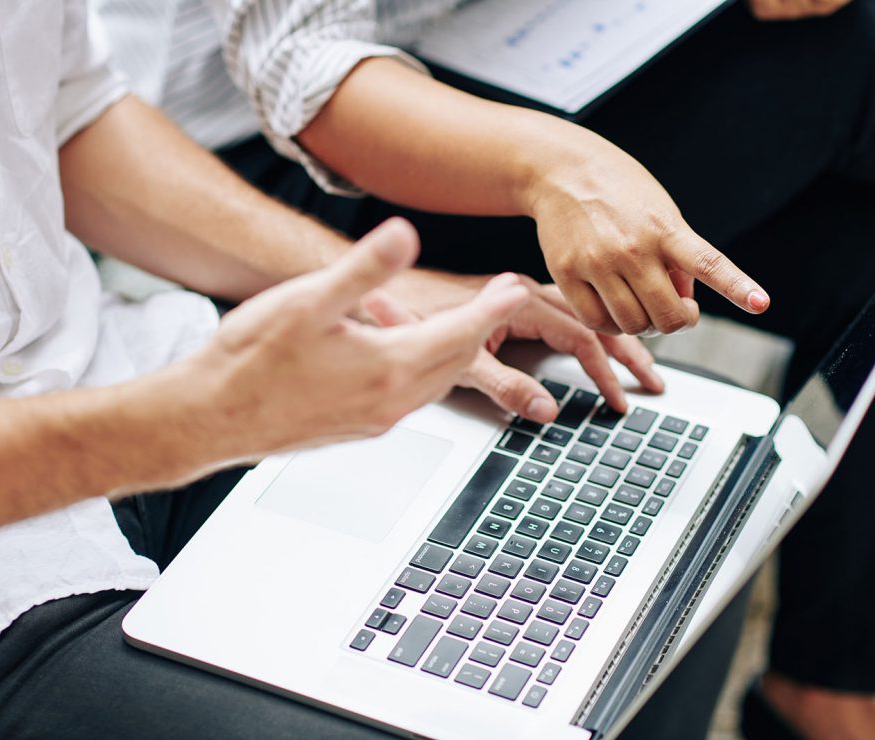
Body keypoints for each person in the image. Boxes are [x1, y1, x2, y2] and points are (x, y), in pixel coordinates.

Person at [95, 0, 875, 738]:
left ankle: (829, 682)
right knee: (845, 54)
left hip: (521, 42)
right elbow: (306, 71)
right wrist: (558, 169)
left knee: (853, 248)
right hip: (272, 157)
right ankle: (825, 687)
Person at [0, 2, 684, 739]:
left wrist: (387, 295)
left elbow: (72, 111)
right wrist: (185, 425)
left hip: (116, 363)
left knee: (636, 546)